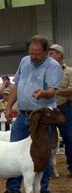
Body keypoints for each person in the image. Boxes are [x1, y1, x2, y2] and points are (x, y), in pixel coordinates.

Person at [0, 35, 62, 193]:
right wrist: (9, 106)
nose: (33, 56)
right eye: (31, 52)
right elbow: (16, 85)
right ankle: (13, 190)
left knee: (41, 155)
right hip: (23, 115)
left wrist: (43, 93)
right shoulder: (24, 61)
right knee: (13, 153)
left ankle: (43, 192)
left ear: (47, 52)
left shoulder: (53, 67)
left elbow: (53, 91)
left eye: (37, 54)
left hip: (42, 118)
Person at [48, 44, 72, 178]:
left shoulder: (69, 71)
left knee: (70, 138)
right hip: (49, 110)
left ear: (59, 55)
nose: (49, 55)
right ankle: (48, 170)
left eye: (52, 53)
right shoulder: (45, 71)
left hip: (65, 108)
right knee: (47, 140)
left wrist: (54, 90)